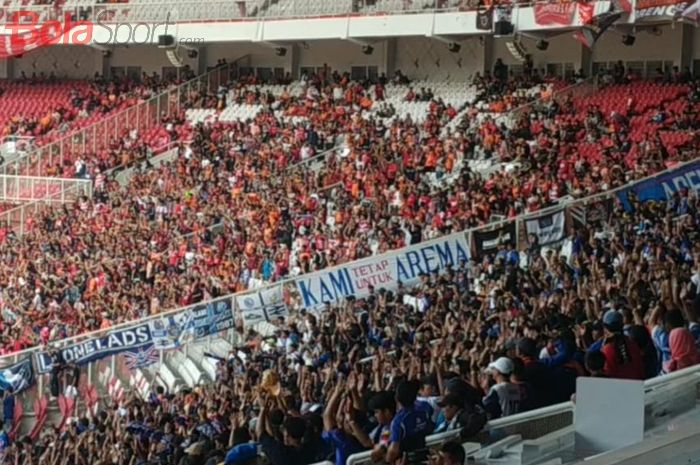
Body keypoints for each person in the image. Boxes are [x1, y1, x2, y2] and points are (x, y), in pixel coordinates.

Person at [383, 382, 433, 465]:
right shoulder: (426, 407)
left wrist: (386, 461)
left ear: (396, 398)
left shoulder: (398, 421)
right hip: (425, 455)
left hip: (408, 460)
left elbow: (394, 450)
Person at [600, 310, 644, 380]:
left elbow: (608, 374)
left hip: (620, 388)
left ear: (605, 328)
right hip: (638, 386)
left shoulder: (606, 350)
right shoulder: (633, 343)